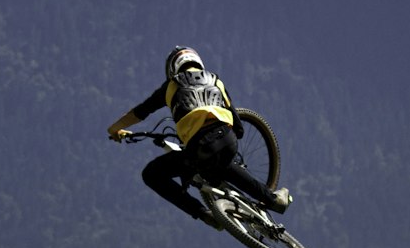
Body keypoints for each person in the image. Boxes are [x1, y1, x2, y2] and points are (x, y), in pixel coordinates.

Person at [107, 46, 291, 228]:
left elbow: (140, 112)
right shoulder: (216, 82)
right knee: (222, 165)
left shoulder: (171, 86)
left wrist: (115, 129)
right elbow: (240, 129)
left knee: (152, 174)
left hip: (199, 148)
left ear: (172, 68)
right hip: (228, 141)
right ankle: (273, 199)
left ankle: (205, 214)